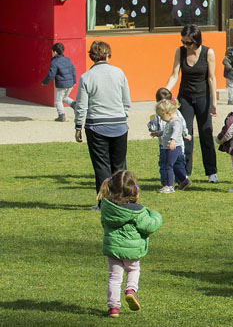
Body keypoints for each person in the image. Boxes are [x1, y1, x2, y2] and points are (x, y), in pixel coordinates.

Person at [98, 170, 162, 318]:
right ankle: (130, 290)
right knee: (133, 270)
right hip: (132, 251)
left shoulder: (106, 207)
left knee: (114, 277)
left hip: (113, 248)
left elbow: (104, 224)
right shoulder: (138, 211)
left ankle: (113, 308)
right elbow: (149, 226)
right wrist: (156, 215)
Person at [74, 41, 131, 205]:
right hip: (119, 124)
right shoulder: (119, 73)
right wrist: (122, 115)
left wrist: (78, 126)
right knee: (120, 166)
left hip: (96, 126)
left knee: (101, 166)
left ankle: (105, 203)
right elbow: (126, 101)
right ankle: (122, 200)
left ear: (91, 56)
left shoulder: (86, 77)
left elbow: (81, 106)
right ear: (108, 55)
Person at [165, 24, 218, 183]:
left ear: (197, 40)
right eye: (183, 42)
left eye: (188, 43)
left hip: (203, 97)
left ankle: (211, 172)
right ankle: (185, 172)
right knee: (185, 134)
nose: (185, 45)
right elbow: (174, 75)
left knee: (206, 133)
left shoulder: (208, 52)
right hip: (185, 98)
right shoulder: (179, 52)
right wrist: (165, 90)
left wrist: (214, 102)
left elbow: (211, 78)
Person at [147, 88, 191, 190]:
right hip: (176, 147)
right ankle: (184, 181)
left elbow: (175, 131)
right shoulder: (171, 120)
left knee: (167, 165)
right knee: (176, 165)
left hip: (170, 147)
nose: (161, 119)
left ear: (168, 113)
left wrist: (173, 140)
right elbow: (167, 131)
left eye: (162, 117)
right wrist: (157, 133)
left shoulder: (175, 121)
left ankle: (168, 185)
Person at [41, 42, 76, 122]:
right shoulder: (68, 60)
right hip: (70, 84)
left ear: (55, 52)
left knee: (58, 100)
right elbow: (73, 71)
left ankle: (61, 115)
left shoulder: (54, 62)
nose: (52, 54)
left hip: (62, 84)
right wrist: (74, 81)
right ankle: (75, 106)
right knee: (64, 98)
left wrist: (44, 82)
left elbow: (51, 74)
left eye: (52, 52)